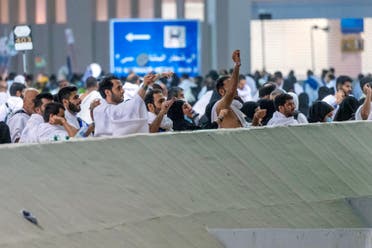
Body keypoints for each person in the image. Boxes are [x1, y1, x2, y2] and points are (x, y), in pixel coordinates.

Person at [94, 73, 170, 137]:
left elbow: (132, 104)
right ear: (107, 92)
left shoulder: (117, 107)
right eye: (118, 88)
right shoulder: (101, 109)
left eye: (122, 87)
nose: (123, 91)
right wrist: (145, 85)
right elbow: (134, 105)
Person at [211, 50, 247, 128]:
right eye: (230, 83)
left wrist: (256, 118)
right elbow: (231, 92)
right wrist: (237, 65)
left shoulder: (237, 105)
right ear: (221, 91)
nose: (235, 86)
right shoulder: (221, 105)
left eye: (234, 83)